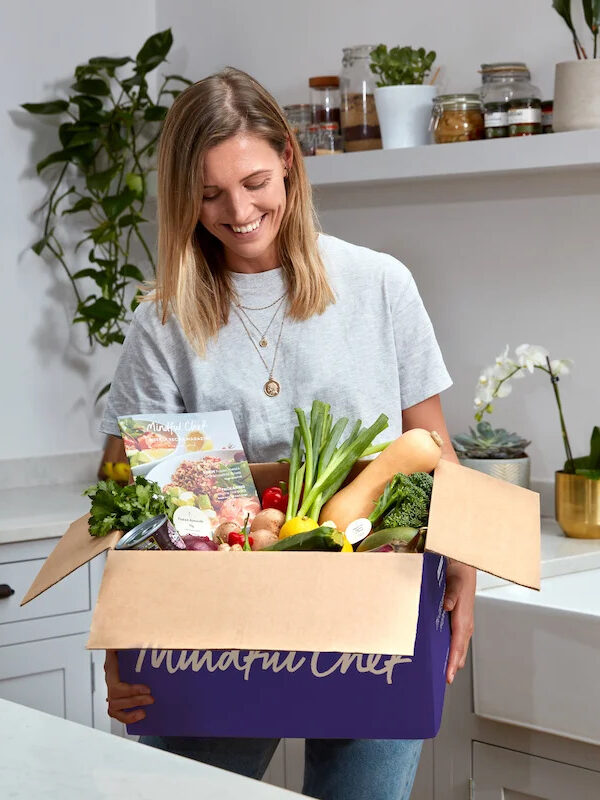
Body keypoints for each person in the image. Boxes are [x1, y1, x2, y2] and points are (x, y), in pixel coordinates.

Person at [101, 66, 475, 800]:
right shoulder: (165, 323)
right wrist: (122, 638)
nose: (237, 211)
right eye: (208, 194)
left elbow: (431, 445)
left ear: (290, 164)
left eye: (254, 182)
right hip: (216, 625)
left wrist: (463, 564)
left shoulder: (378, 286)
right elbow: (135, 504)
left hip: (376, 611)